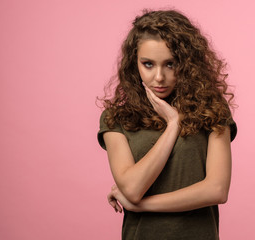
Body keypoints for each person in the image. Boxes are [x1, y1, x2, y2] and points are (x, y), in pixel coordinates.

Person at [97, 9, 237, 240]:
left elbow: (217, 190)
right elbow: (132, 189)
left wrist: (142, 206)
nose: (159, 77)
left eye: (170, 64)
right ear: (135, 64)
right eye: (148, 64)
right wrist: (173, 125)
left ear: (187, 63)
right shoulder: (116, 118)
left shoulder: (212, 110)